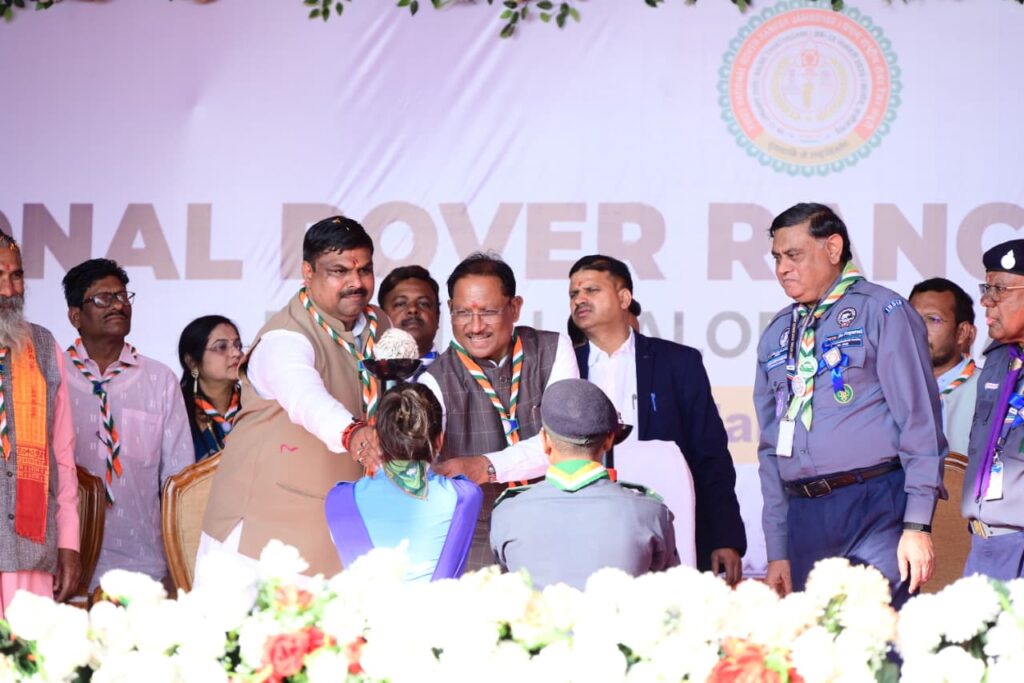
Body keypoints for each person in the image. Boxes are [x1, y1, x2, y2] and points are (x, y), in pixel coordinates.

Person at [754, 203, 944, 605]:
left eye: (794, 255)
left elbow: (919, 421)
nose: (782, 268)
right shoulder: (776, 334)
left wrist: (917, 525)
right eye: (777, 258)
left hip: (875, 504)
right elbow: (771, 447)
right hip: (804, 513)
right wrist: (777, 549)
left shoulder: (883, 311)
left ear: (833, 248)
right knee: (817, 638)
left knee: (879, 631)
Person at [200, 216, 391, 579]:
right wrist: (354, 434)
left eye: (364, 270)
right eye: (339, 271)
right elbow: (306, 397)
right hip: (260, 540)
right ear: (307, 272)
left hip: (340, 531)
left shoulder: (379, 326)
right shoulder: (284, 338)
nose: (356, 282)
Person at [568, 255, 746, 583]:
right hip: (583, 522)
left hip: (667, 519)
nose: (579, 299)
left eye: (591, 290)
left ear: (624, 298)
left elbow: (710, 454)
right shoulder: (565, 365)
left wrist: (725, 536)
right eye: (574, 293)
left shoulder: (677, 362)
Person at [419, 252, 579, 570]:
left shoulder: (553, 350)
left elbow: (565, 443)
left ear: (515, 307)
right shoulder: (434, 380)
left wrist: (487, 466)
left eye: (489, 312)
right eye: (463, 313)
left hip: (554, 520)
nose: (475, 326)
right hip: (478, 536)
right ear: (449, 309)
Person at [63, 258, 192, 591]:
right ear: (75, 316)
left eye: (122, 296)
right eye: (103, 298)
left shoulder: (159, 379)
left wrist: (177, 564)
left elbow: (179, 481)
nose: (118, 305)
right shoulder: (52, 375)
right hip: (64, 561)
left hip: (144, 563)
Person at [490, 378, 679, 589]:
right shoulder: (651, 512)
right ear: (609, 441)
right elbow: (670, 595)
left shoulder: (507, 513)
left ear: (545, 441)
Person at [325, 383, 482, 582]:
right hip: (443, 603)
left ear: (375, 438)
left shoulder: (338, 500)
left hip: (363, 604)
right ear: (439, 440)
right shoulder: (466, 495)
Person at [0, 231, 80, 617]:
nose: (9, 290)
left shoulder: (45, 347)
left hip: (29, 552)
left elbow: (63, 456)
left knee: (27, 653)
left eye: (16, 276)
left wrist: (69, 543)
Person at [962, 240, 1024, 580]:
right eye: (987, 288)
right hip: (983, 545)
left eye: (999, 289)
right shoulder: (999, 358)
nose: (986, 301)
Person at [909, 278, 979, 456]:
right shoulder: (889, 388)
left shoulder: (989, 389)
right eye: (911, 318)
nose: (918, 329)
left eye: (933, 320)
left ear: (962, 332)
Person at [178, 315, 245, 461]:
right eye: (221, 347)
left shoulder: (254, 405)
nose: (236, 353)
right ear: (192, 362)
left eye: (238, 345)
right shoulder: (178, 413)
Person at [378, 266, 441, 379]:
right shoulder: (366, 376)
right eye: (400, 304)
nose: (413, 309)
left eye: (424, 303)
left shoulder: (458, 376)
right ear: (381, 317)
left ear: (437, 317)